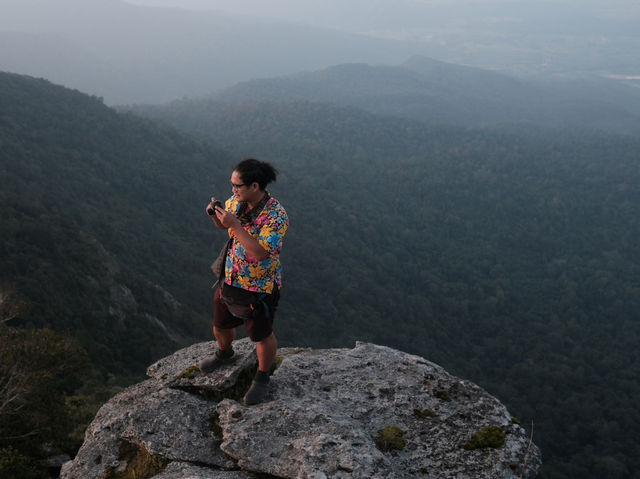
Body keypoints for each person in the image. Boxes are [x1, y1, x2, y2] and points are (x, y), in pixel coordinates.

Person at [199, 158, 289, 405]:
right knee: (220, 324)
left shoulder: (276, 215)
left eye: (238, 186)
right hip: (230, 278)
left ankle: (262, 377)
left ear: (255, 186)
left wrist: (236, 225)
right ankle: (225, 353)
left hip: (259, 288)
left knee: (261, 334)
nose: (233, 190)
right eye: (232, 185)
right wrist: (216, 216)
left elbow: (260, 253)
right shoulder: (235, 203)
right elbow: (224, 228)